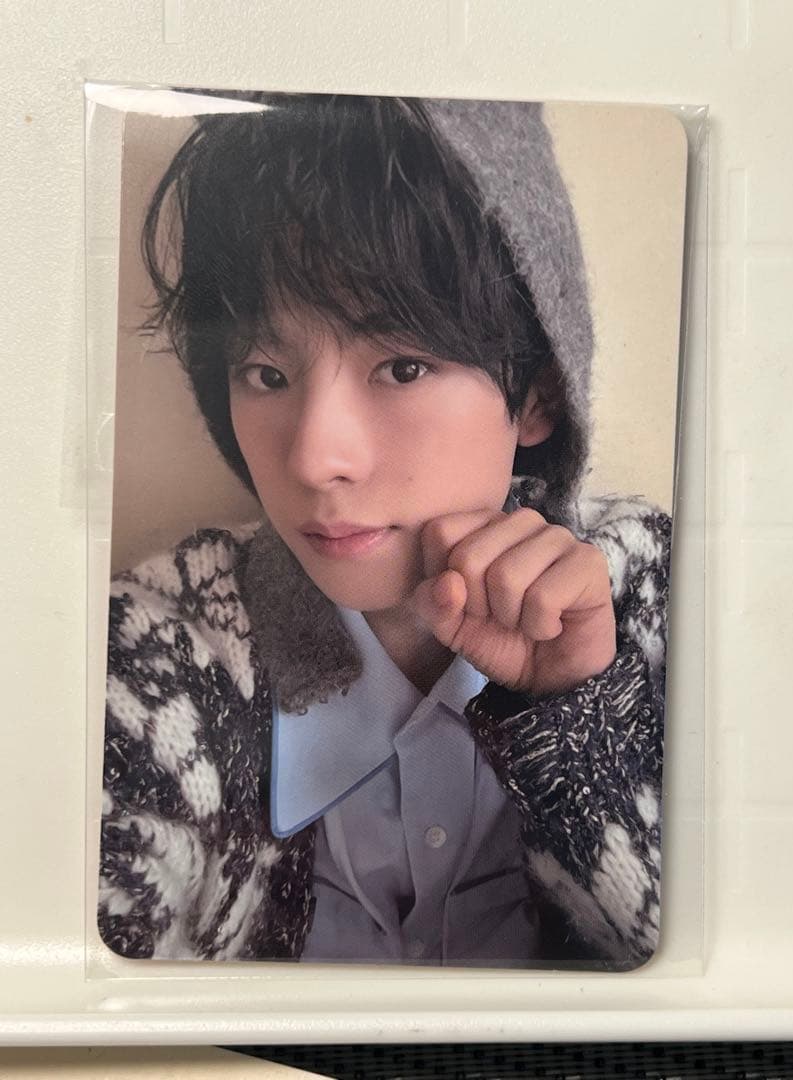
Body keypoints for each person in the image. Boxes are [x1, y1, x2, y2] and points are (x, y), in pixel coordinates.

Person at [98, 92, 671, 969]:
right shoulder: (162, 649)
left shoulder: (670, 602)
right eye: (266, 372)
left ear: (537, 393)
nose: (314, 458)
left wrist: (576, 729)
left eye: (402, 366)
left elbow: (760, 997)